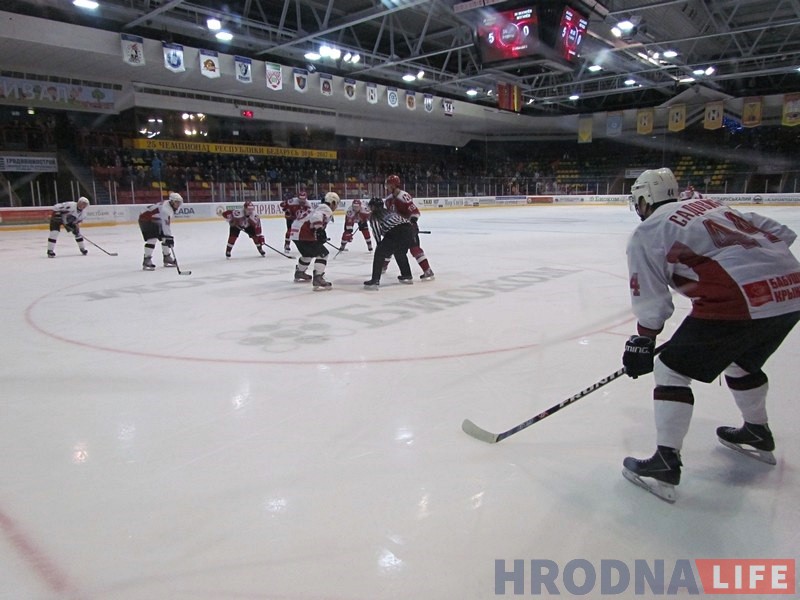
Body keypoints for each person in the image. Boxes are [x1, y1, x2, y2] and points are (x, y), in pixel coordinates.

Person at [621, 167, 800, 503]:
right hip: (791, 291)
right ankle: (757, 432)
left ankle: (665, 462)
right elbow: (782, 233)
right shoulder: (713, 205)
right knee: (741, 362)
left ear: (644, 199)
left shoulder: (649, 230)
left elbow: (651, 298)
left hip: (742, 300)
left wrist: (644, 340)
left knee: (670, 370)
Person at [383, 174, 435, 280]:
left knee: (414, 249)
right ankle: (383, 267)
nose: (387, 187)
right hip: (397, 229)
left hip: (408, 229)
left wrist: (411, 223)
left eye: (388, 185)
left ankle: (427, 271)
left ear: (393, 185)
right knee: (390, 247)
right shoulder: (388, 200)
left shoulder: (403, 196)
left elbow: (415, 212)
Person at [289, 191, 339, 291]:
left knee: (308, 254)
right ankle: (318, 277)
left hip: (295, 233)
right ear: (333, 202)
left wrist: (318, 233)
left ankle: (300, 272)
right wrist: (320, 230)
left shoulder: (318, 207)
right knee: (323, 253)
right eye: (336, 204)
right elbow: (316, 217)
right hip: (303, 233)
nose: (336, 206)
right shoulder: (326, 209)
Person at [363, 197, 415, 290]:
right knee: (400, 252)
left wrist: (380, 245)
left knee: (379, 253)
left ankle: (375, 280)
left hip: (395, 231)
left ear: (374, 207)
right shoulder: (389, 211)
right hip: (409, 229)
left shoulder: (374, 216)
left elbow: (376, 231)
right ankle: (407, 275)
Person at [138, 192, 183, 271]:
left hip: (156, 219)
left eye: (179, 202)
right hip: (146, 219)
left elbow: (165, 225)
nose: (178, 204)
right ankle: (147, 259)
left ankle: (167, 257)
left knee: (165, 238)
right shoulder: (165, 210)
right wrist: (169, 237)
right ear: (172, 201)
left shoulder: (169, 206)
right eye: (176, 202)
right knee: (152, 239)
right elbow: (166, 226)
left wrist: (168, 237)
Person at [279, 184, 311, 253]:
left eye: (303, 200)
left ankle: (304, 244)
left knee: (303, 232)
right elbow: (282, 205)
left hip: (300, 220)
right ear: (297, 198)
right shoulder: (292, 201)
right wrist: (286, 211)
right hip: (291, 219)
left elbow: (309, 214)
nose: (302, 202)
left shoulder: (308, 204)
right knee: (289, 231)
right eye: (300, 200)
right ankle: (287, 245)